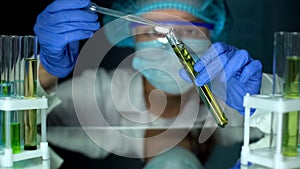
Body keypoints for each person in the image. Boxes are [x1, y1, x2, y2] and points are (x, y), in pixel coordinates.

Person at [34, 0, 271, 168]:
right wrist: (45, 70)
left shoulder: (234, 94)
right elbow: (16, 131)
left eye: (187, 29)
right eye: (152, 31)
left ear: (212, 36)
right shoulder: (100, 97)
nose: (170, 44)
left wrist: (266, 96)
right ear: (132, 36)